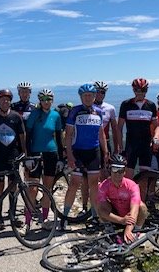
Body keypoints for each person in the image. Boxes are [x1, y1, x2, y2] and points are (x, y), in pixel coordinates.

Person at [60, 83, 109, 231]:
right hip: (78, 152)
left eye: (91, 95)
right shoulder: (75, 111)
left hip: (94, 152)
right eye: (85, 95)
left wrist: (105, 151)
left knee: (94, 185)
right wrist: (69, 155)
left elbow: (101, 133)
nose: (88, 98)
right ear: (81, 97)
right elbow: (68, 135)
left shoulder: (99, 112)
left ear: (94, 96)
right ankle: (65, 217)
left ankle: (94, 217)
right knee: (74, 184)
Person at [25, 88, 63, 231]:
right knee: (32, 189)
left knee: (47, 189)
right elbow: (28, 137)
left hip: (51, 153)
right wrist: (28, 156)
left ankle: (45, 219)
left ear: (52, 100)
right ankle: (27, 222)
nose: (46, 102)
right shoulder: (34, 114)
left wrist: (61, 158)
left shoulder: (56, 115)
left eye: (49, 99)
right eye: (43, 99)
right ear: (40, 101)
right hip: (35, 153)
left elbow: (59, 138)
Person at [0, 88, 26, 231]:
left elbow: (22, 135)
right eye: (2, 100)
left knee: (13, 186)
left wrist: (24, 152)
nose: (5, 102)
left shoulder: (16, 116)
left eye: (7, 100)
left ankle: (12, 215)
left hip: (13, 155)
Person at [97, 154, 148, 243]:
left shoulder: (132, 186)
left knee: (142, 206)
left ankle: (136, 230)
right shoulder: (104, 186)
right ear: (110, 170)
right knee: (100, 206)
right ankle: (109, 227)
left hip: (130, 216)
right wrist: (121, 220)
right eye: (115, 169)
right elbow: (101, 210)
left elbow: (135, 209)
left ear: (124, 172)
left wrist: (128, 228)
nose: (118, 173)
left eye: (121, 170)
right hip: (116, 216)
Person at [117, 78, 158, 178]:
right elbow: (119, 127)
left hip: (146, 145)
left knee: (144, 177)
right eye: (137, 90)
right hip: (131, 145)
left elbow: (157, 126)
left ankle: (141, 190)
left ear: (146, 91)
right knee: (128, 175)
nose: (140, 93)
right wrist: (120, 146)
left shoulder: (151, 105)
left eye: (143, 90)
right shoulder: (126, 104)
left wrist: (156, 137)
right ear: (133, 90)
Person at [93, 80, 120, 156]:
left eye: (102, 92)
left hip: (105, 142)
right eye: (97, 91)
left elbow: (115, 130)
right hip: (90, 143)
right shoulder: (87, 107)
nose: (100, 94)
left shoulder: (110, 108)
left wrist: (116, 148)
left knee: (106, 163)